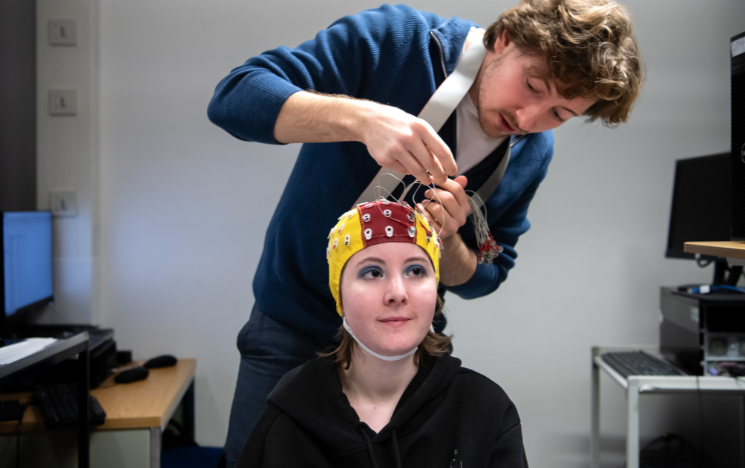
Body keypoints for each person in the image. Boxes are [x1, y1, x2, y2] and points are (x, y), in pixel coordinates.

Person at [207, 1, 642, 465]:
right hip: (291, 326)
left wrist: (451, 240)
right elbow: (235, 98)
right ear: (504, 39)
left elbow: (487, 276)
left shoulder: (532, 153)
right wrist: (362, 120)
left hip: (406, 351)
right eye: (533, 85)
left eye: (560, 113)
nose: (530, 119)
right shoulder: (397, 42)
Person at [237, 199, 528, 467]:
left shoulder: (484, 411)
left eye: (416, 270)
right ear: (340, 296)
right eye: (373, 272)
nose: (397, 293)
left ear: (435, 293)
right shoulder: (289, 416)